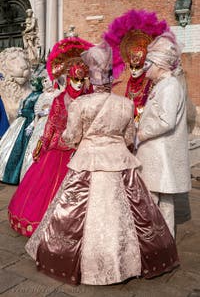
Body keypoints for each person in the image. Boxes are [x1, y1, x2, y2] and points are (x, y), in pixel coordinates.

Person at [25, 41, 179, 286]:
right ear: (110, 80)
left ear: (92, 80)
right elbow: (129, 137)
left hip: (87, 160)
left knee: (72, 215)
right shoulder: (126, 104)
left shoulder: (80, 104)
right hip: (120, 162)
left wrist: (79, 141)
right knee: (132, 214)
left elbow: (71, 136)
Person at [8, 36, 93, 237]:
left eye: (82, 80)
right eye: (75, 79)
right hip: (59, 150)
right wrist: (42, 145)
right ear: (69, 78)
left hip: (84, 152)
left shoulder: (90, 100)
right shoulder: (59, 101)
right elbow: (51, 126)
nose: (79, 84)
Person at [136, 31, 191, 237]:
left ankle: (160, 243)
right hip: (157, 155)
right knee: (159, 201)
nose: (144, 68)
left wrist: (141, 134)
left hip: (161, 155)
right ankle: (162, 242)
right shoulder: (162, 85)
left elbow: (166, 121)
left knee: (158, 201)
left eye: (148, 63)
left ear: (159, 64)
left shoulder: (169, 86)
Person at [0, 74, 43, 185]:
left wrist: (23, 112)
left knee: (20, 148)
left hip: (27, 124)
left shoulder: (38, 95)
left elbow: (35, 112)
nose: (32, 84)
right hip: (21, 123)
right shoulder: (31, 94)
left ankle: (15, 176)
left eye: (34, 82)